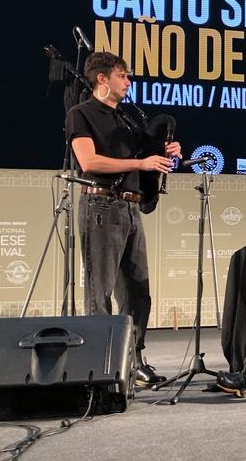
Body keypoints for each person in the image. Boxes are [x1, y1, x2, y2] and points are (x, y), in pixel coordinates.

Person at [65, 52, 182, 386]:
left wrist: (167, 153)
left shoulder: (126, 120)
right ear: (103, 78)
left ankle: (133, 361)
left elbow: (146, 158)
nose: (128, 82)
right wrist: (140, 165)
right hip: (100, 207)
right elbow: (89, 162)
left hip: (131, 209)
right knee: (99, 292)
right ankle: (100, 366)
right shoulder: (81, 114)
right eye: (123, 76)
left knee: (137, 293)